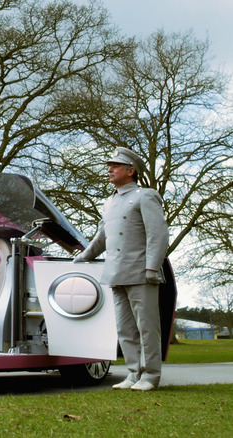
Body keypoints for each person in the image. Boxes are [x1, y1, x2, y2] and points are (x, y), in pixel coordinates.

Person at [73, 147, 169, 392]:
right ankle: (133, 373)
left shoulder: (145, 196)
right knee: (125, 329)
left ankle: (150, 376)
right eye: (110, 165)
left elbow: (158, 234)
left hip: (141, 272)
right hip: (116, 273)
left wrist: (152, 266)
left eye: (115, 166)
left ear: (130, 170)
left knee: (147, 327)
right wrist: (84, 256)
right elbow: (102, 236)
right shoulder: (110, 202)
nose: (109, 169)